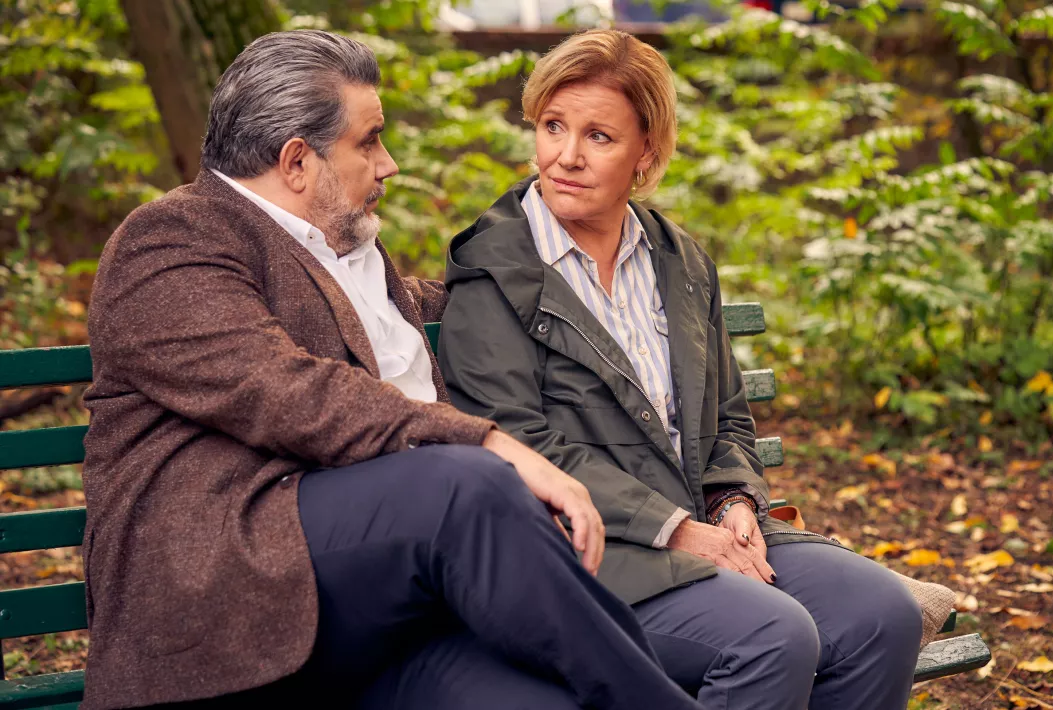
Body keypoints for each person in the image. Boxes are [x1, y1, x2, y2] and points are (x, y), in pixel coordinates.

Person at [81, 29, 705, 710]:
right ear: (297, 161)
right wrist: (490, 443)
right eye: (370, 141)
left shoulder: (348, 252)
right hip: (242, 603)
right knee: (465, 483)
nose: (390, 164)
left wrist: (588, 292)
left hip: (393, 614)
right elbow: (285, 390)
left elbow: (468, 308)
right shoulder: (173, 241)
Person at [439, 28, 926, 709]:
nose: (565, 156)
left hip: (702, 525)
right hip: (586, 551)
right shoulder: (495, 270)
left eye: (598, 136)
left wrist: (734, 501)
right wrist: (674, 528)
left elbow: (726, 416)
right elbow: (518, 444)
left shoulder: (680, 262)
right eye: (552, 126)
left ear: (646, 152)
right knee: (772, 636)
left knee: (883, 615)